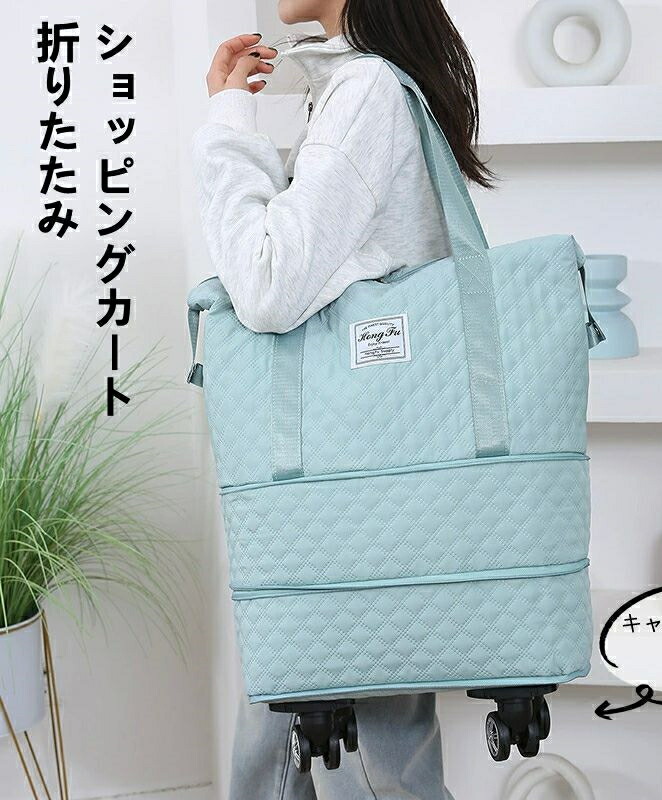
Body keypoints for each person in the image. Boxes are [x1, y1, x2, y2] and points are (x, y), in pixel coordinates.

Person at [192, 0, 493, 796]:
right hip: (364, 493)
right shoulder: (360, 87)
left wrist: (228, 127)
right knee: (313, 746)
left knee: (354, 757)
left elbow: (265, 286)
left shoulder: (366, 91)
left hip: (345, 503)